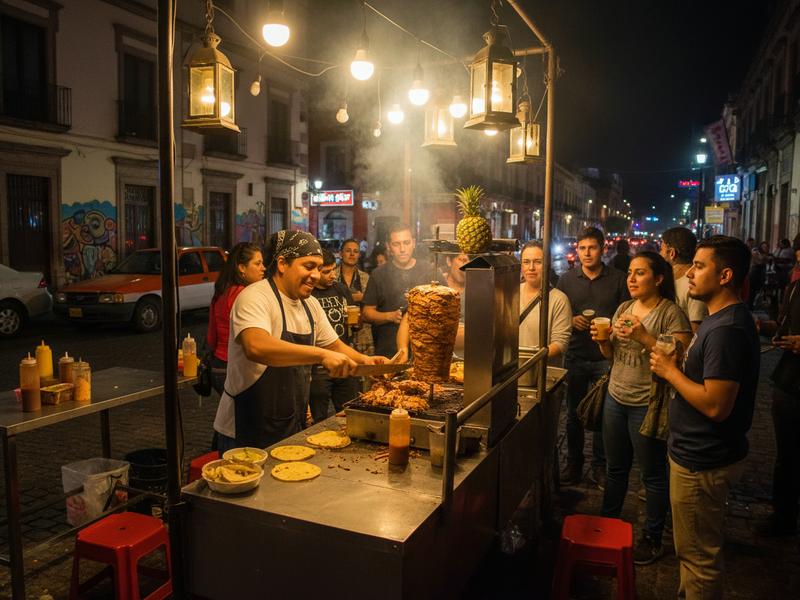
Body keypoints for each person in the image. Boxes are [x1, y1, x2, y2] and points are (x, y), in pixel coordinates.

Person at [650, 235, 760, 599]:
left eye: (699, 267)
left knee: (699, 560)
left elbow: (716, 405)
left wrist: (669, 371)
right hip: (697, 453)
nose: (690, 274)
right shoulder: (719, 320)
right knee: (692, 554)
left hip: (702, 460)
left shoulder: (726, 330)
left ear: (725, 275)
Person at [213, 231, 385, 451]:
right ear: (283, 263)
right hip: (245, 428)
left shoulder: (310, 305)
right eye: (309, 266)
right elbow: (256, 346)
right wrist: (321, 355)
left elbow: (334, 345)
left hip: (289, 423)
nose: (316, 275)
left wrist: (367, 362)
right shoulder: (254, 297)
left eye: (319, 267)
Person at [590, 251, 692, 564]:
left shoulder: (671, 313)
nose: (631, 279)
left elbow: (679, 356)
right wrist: (603, 341)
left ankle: (652, 537)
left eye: (640, 273)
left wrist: (644, 336)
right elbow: (613, 356)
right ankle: (608, 524)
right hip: (615, 398)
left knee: (652, 475)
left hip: (647, 404)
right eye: (630, 273)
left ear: (659, 278)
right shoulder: (623, 308)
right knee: (615, 468)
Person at [557, 227, 630, 488]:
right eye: (582, 248)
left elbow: (627, 314)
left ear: (603, 249)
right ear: (577, 250)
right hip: (576, 354)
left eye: (593, 248)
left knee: (603, 416)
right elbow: (558, 313)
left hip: (606, 358)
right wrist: (571, 319)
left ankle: (600, 466)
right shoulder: (566, 280)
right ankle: (573, 463)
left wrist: (613, 327)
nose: (587, 253)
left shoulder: (618, 279)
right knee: (574, 414)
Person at [362, 223, 431, 357]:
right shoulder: (379, 274)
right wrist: (390, 316)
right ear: (389, 247)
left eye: (406, 242)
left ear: (414, 243)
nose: (402, 249)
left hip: (426, 350)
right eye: (396, 244)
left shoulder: (429, 270)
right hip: (388, 351)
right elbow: (366, 313)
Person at [206, 243, 265, 397]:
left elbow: (212, 335)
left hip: (219, 364)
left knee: (233, 417)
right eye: (257, 263)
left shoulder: (223, 290)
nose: (263, 268)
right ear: (242, 268)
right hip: (235, 366)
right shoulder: (244, 295)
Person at [309, 250, 359, 423]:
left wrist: (354, 322)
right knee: (318, 417)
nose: (333, 275)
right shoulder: (309, 294)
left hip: (343, 358)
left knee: (349, 411)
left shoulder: (341, 290)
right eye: (326, 272)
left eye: (334, 270)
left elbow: (354, 320)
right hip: (318, 367)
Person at [519, 241, 572, 366]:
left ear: (548, 265)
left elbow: (560, 343)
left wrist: (527, 361)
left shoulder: (559, 300)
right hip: (511, 373)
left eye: (538, 262)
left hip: (543, 373)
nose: (531, 267)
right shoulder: (511, 294)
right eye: (526, 262)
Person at [660, 227, 708, 333]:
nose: (660, 254)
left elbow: (696, 333)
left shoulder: (692, 284)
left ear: (671, 253)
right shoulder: (666, 280)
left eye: (661, 249)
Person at [336, 238, 373, 354]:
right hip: (338, 332)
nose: (352, 254)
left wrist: (364, 298)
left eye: (356, 251)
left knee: (364, 369)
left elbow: (373, 302)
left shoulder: (366, 278)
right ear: (341, 254)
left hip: (363, 334)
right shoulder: (331, 276)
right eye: (348, 250)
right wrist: (356, 297)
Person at [747, 241, 771, 309]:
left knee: (758, 289)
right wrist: (764, 259)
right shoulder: (755, 251)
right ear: (761, 246)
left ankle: (755, 304)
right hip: (755, 272)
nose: (766, 248)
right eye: (764, 247)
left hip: (761, 273)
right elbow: (757, 261)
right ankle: (750, 305)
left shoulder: (766, 254)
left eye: (767, 247)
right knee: (752, 290)